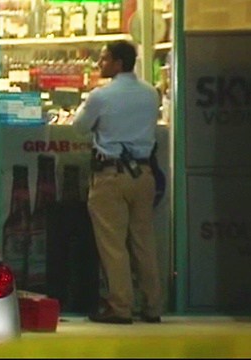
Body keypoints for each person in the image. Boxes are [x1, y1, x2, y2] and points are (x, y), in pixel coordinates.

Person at [70, 40, 162, 324]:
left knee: (113, 244)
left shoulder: (101, 95)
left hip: (110, 175)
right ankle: (153, 306)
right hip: (143, 174)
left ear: (119, 63)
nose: (100, 63)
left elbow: (79, 128)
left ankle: (120, 307)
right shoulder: (151, 94)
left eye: (105, 58)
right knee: (143, 242)